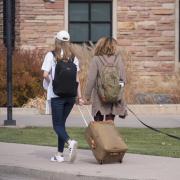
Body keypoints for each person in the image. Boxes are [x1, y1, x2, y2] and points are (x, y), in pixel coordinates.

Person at [41, 30, 83, 163]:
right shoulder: (73, 58)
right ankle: (59, 154)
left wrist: (54, 82)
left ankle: (70, 142)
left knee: (57, 125)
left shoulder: (51, 55)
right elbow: (77, 79)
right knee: (61, 124)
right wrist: (79, 97)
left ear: (57, 41)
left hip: (56, 95)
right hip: (70, 97)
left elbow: (45, 74)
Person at [84, 37, 127, 121]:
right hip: (114, 97)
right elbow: (122, 79)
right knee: (110, 123)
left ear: (100, 46)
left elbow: (91, 80)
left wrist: (87, 95)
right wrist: (118, 91)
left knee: (98, 123)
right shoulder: (118, 59)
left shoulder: (96, 59)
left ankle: (100, 134)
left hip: (99, 97)